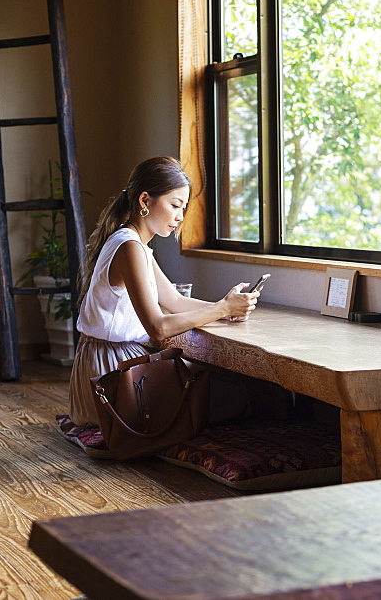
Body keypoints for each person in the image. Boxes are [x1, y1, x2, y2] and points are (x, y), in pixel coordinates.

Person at [67, 156, 259, 428]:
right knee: (242, 395)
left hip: (109, 366)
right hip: (112, 378)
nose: (180, 218)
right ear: (145, 201)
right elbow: (157, 327)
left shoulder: (135, 244)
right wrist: (221, 309)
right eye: (175, 205)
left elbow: (175, 301)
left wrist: (227, 307)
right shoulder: (129, 247)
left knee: (228, 392)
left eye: (183, 208)